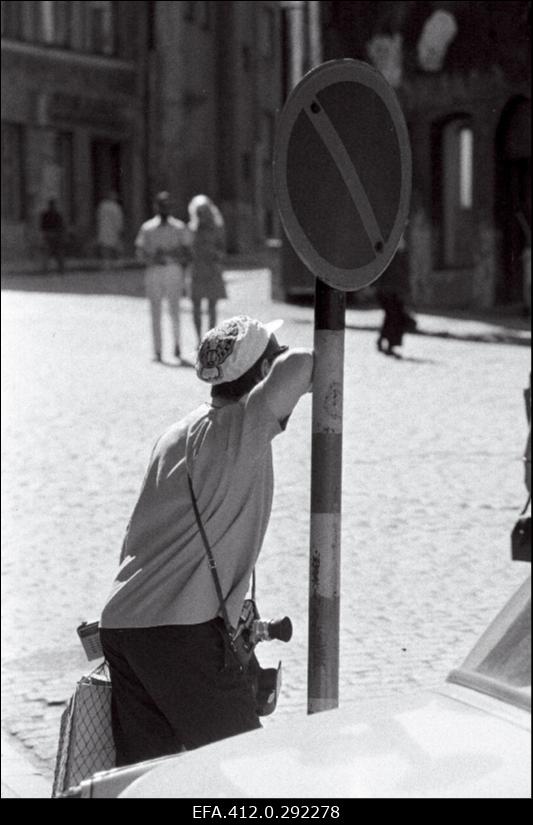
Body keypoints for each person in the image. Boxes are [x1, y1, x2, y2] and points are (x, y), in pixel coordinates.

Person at [99, 315, 313, 767]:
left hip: (124, 627)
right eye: (272, 353)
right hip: (180, 633)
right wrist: (312, 358)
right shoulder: (244, 423)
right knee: (246, 770)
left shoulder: (176, 434)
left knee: (152, 782)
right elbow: (298, 366)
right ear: (262, 373)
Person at [135, 192, 191, 362]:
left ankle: (177, 345)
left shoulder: (179, 227)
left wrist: (172, 253)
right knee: (155, 311)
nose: (164, 209)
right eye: (161, 205)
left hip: (173, 269)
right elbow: (139, 251)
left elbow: (187, 251)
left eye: (167, 206)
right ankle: (157, 349)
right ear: (156, 207)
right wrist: (152, 257)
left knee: (174, 310)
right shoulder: (148, 228)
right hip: (154, 270)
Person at [187, 194, 227, 342]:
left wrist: (216, 255)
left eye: (204, 211)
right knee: (196, 306)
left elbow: (222, 250)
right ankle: (198, 339)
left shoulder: (217, 229)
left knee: (212, 307)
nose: (202, 215)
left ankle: (209, 339)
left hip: (212, 270)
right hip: (197, 270)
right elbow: (186, 250)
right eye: (199, 212)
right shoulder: (191, 230)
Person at [375, 234, 416, 357]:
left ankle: (385, 341)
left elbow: (404, 274)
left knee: (392, 317)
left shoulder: (401, 254)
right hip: (387, 291)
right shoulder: (388, 253)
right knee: (393, 317)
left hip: (395, 291)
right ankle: (388, 343)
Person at [96, 191, 124, 260]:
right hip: (112, 231)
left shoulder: (102, 206)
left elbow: (98, 218)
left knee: (105, 250)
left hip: (104, 230)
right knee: (116, 250)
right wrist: (120, 229)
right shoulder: (116, 207)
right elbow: (118, 220)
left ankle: (106, 262)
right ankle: (116, 262)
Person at [40, 199, 65, 273]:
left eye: (53, 205)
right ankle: (46, 269)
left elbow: (61, 225)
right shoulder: (47, 215)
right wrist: (47, 233)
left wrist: (59, 234)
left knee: (57, 253)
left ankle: (60, 269)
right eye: (52, 205)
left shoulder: (57, 215)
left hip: (56, 235)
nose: (53, 207)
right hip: (50, 235)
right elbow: (43, 226)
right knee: (48, 252)